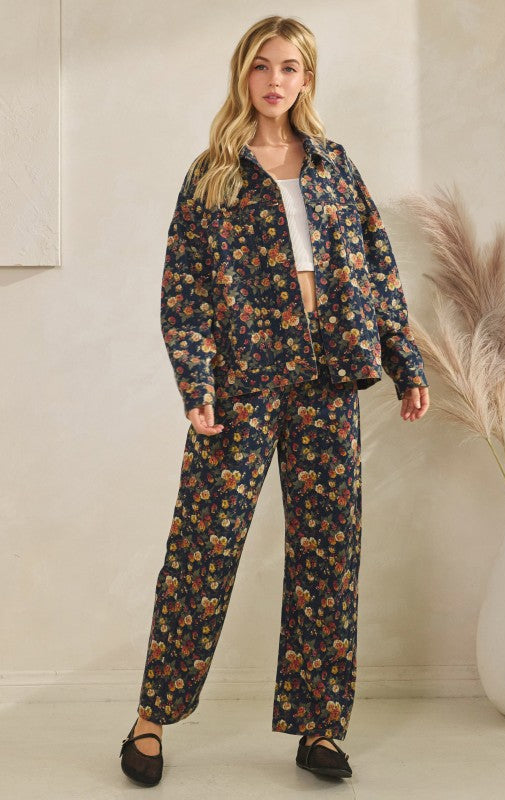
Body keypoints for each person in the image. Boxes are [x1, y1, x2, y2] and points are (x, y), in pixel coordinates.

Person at [119, 14, 430, 787]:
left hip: (329, 379)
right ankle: (150, 718)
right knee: (202, 549)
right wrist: (197, 382)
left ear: (306, 80)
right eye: (261, 65)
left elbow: (377, 268)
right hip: (243, 382)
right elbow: (184, 292)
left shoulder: (333, 166)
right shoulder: (212, 173)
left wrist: (405, 362)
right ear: (243, 74)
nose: (274, 80)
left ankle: (318, 728)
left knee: (328, 554)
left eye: (289, 67)